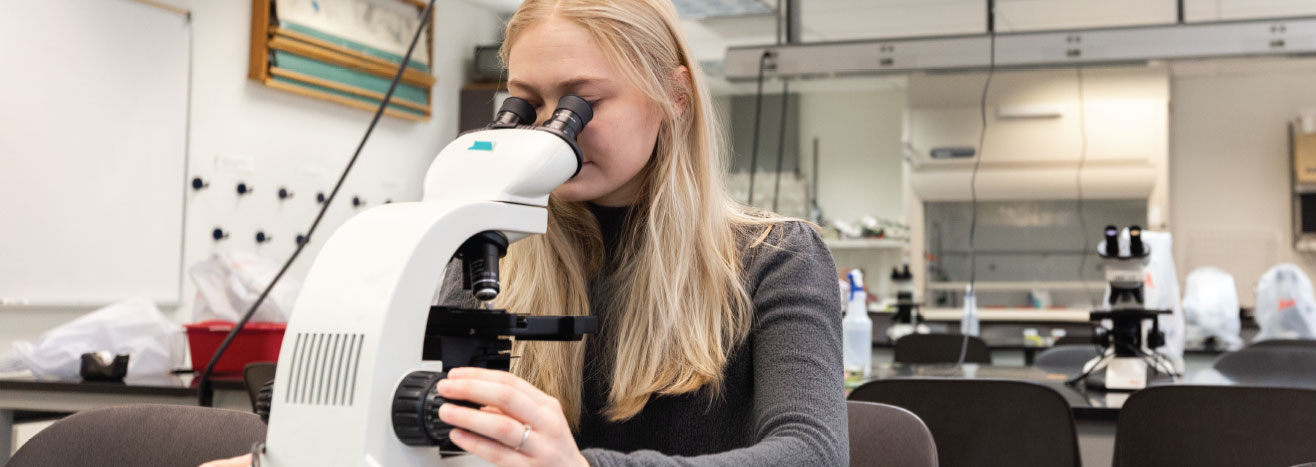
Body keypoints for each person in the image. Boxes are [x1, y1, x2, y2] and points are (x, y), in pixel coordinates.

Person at [203, 0, 848, 465]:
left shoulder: (777, 259)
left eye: (580, 102)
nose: (549, 131)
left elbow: (812, 453)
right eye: (527, 104)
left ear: (674, 97)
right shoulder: (487, 247)